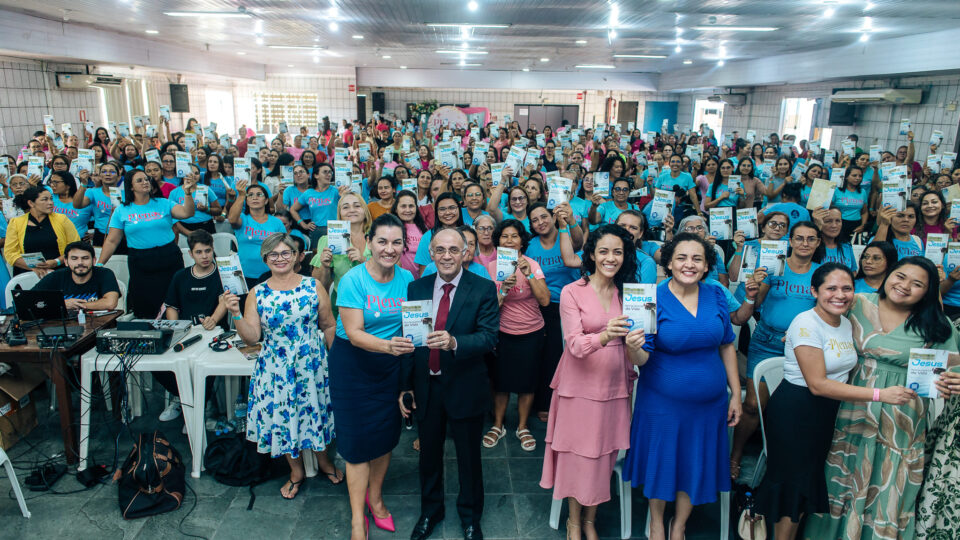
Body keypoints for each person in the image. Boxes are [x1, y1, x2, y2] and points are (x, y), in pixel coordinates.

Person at [754, 263, 915, 540]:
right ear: (814, 291)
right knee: (793, 486)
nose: (839, 295)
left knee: (806, 485)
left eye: (847, 288)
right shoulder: (806, 322)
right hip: (797, 410)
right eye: (831, 288)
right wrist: (881, 395)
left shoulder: (844, 321)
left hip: (826, 412)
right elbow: (817, 384)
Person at [804, 257, 958, 540]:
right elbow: (817, 326)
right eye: (900, 276)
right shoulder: (857, 302)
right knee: (840, 472)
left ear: (928, 291)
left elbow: (953, 367)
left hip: (902, 413)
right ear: (889, 275)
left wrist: (950, 381)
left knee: (888, 476)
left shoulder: (936, 323)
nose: (904, 286)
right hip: (850, 403)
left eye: (917, 284)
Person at [622, 232, 742, 540]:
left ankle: (680, 525)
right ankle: (657, 522)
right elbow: (642, 359)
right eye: (682, 258)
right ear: (669, 263)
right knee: (661, 462)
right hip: (663, 405)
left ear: (706, 267)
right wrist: (632, 347)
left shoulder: (715, 294)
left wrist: (736, 394)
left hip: (709, 403)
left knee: (695, 462)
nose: (689, 264)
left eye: (697, 259)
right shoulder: (650, 298)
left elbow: (728, 345)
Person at [540, 225, 641, 540]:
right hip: (579, 387)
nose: (611, 258)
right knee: (576, 456)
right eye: (604, 251)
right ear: (592, 255)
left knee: (603, 456)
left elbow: (639, 342)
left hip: (615, 384)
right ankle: (573, 520)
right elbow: (574, 345)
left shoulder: (631, 294)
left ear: (625, 257)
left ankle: (590, 520)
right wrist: (606, 335)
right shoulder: (573, 291)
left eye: (618, 252)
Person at [225, 233, 342, 501]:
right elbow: (252, 337)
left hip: (312, 364)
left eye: (285, 253)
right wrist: (235, 314)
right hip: (276, 369)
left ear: (297, 256)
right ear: (265, 259)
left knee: (316, 413)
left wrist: (333, 361)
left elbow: (329, 325)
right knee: (285, 418)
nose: (280, 259)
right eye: (273, 255)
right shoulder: (257, 293)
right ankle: (296, 472)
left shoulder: (313, 286)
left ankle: (324, 462)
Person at [400, 228, 500, 540]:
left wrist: (455, 341)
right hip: (426, 386)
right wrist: (406, 387)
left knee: (469, 458)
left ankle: (470, 517)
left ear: (465, 252)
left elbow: (489, 337)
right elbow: (411, 341)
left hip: (465, 384)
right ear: (430, 252)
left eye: (453, 250)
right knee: (428, 455)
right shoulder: (416, 288)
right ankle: (431, 511)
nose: (446, 256)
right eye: (440, 249)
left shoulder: (483, 288)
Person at [328, 214, 415, 540]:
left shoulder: (407, 279)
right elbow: (353, 332)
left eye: (396, 242)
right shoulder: (353, 279)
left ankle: (376, 499)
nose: (389, 249)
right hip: (353, 367)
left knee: (384, 437)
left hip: (389, 369)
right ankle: (356, 518)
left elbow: (414, 324)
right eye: (382, 241)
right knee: (355, 445)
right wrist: (390, 346)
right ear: (369, 242)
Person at [731, 221, 821, 480]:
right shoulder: (775, 268)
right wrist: (755, 285)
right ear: (790, 241)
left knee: (795, 407)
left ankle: (782, 463)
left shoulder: (821, 273)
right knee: (751, 405)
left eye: (811, 239)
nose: (805, 243)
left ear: (817, 243)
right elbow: (756, 304)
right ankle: (735, 456)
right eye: (800, 238)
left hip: (804, 346)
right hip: (767, 342)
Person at [481, 219, 550, 452]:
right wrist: (503, 289)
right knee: (500, 382)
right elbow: (488, 309)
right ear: (498, 241)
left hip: (531, 332)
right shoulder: (491, 268)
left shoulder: (532, 264)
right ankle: (498, 425)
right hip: (502, 332)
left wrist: (528, 275)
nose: (509, 240)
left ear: (522, 241)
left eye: (514, 236)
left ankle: (522, 426)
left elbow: (545, 300)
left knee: (527, 383)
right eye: (504, 236)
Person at [97, 169, 196, 318]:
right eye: (139, 180)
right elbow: (112, 240)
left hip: (168, 257)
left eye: (146, 179)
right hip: (141, 261)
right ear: (130, 187)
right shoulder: (121, 210)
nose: (145, 182)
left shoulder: (164, 203)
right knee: (145, 306)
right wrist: (99, 264)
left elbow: (187, 213)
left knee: (174, 301)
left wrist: (187, 194)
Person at [157, 230, 229, 422]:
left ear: (213, 250)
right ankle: (181, 398)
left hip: (214, 333)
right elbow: (172, 306)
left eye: (208, 251)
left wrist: (213, 319)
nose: (204, 256)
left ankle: (200, 406)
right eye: (199, 252)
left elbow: (224, 300)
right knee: (156, 361)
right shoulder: (180, 276)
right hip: (184, 332)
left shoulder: (222, 274)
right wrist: (176, 327)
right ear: (190, 254)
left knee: (207, 361)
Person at [526, 202, 580, 421]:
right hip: (544, 305)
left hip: (571, 303)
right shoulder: (531, 246)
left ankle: (570, 400)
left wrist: (569, 220)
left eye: (544, 217)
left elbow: (578, 241)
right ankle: (545, 402)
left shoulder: (566, 235)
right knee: (547, 355)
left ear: (552, 215)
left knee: (568, 354)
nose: (540, 222)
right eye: (535, 220)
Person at [310, 192, 372, 317]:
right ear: (340, 214)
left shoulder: (378, 236)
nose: (352, 210)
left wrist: (364, 260)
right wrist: (325, 266)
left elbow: (392, 270)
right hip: (341, 307)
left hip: (375, 302)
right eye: (346, 207)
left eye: (357, 206)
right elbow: (319, 284)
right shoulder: (327, 240)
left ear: (365, 211)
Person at [4, 186, 81, 277]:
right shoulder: (16, 223)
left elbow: (75, 246)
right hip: (27, 273)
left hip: (59, 271)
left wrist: (56, 262)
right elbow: (10, 253)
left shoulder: (62, 219)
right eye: (44, 199)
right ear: (31, 203)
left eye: (51, 199)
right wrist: (33, 267)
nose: (50, 203)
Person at [228, 180, 286, 287]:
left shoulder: (276, 222)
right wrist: (241, 195)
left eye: (259, 195)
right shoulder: (242, 219)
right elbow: (231, 219)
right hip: (244, 274)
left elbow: (285, 246)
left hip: (271, 274)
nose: (255, 197)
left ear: (266, 201)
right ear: (247, 201)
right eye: (250, 195)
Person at [33, 241, 119, 310]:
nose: (80, 263)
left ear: (93, 260)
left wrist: (73, 305)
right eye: (74, 259)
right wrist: (63, 304)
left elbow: (110, 303)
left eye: (85, 258)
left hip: (101, 326)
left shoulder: (105, 274)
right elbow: (29, 300)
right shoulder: (56, 276)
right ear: (66, 262)